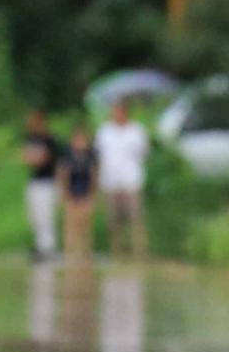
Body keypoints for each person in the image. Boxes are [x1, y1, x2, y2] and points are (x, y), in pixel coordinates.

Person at [94, 99, 149, 260]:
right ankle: (116, 251)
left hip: (132, 180)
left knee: (135, 218)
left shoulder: (137, 130)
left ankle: (138, 252)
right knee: (113, 220)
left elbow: (144, 153)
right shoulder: (104, 131)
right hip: (110, 181)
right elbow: (99, 157)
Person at [18, 110, 60, 261]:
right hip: (34, 181)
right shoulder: (30, 139)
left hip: (48, 181)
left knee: (46, 215)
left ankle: (48, 247)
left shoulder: (49, 140)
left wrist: (34, 158)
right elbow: (26, 158)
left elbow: (43, 159)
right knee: (34, 215)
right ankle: (39, 245)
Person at [57, 124, 99, 262]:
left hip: (85, 192)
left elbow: (94, 176)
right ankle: (70, 252)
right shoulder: (67, 155)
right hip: (72, 191)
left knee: (85, 223)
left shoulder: (91, 156)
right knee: (71, 223)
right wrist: (65, 194)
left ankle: (85, 252)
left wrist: (93, 194)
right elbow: (63, 175)